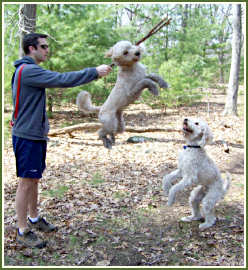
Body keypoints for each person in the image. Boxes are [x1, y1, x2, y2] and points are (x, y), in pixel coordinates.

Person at [11, 33, 112, 248]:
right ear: (32, 49)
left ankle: (34, 218)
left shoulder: (28, 70)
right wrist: (94, 72)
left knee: (34, 179)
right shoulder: (28, 71)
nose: (48, 50)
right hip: (27, 136)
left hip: (35, 134)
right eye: (44, 46)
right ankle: (21, 229)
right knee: (26, 181)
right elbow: (62, 80)